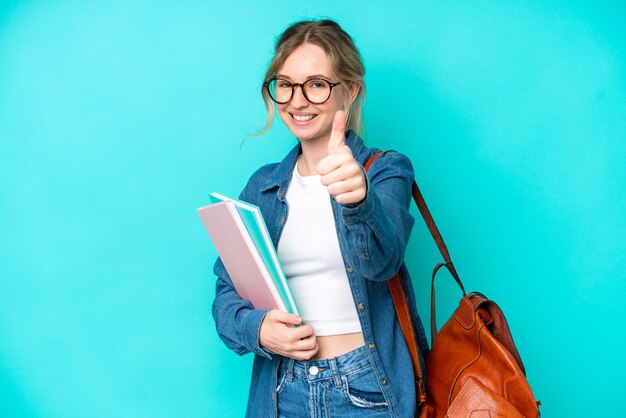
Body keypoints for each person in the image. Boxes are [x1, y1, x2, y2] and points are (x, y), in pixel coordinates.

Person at [212, 19, 428, 418]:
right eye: (286, 84)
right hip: (283, 389)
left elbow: (382, 264)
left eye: (316, 84)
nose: (297, 101)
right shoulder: (261, 187)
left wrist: (359, 200)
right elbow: (226, 293)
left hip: (367, 389)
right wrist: (257, 329)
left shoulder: (385, 171)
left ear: (350, 91)